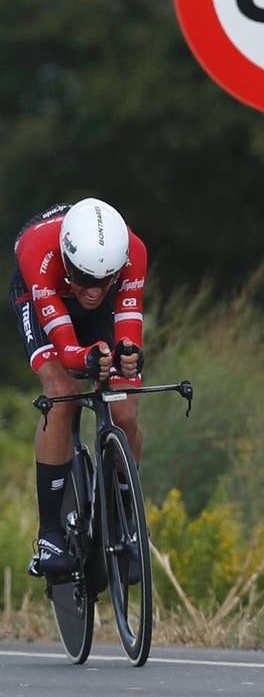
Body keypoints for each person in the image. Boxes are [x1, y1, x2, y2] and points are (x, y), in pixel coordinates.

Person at [9, 198, 147, 577]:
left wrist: (129, 355)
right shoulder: (38, 248)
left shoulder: (133, 252)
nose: (94, 289)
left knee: (124, 409)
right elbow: (68, 349)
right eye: (86, 278)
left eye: (106, 280)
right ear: (69, 262)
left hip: (92, 308)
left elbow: (129, 322)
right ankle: (50, 534)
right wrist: (84, 359)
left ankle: (126, 518)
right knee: (62, 392)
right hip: (43, 296)